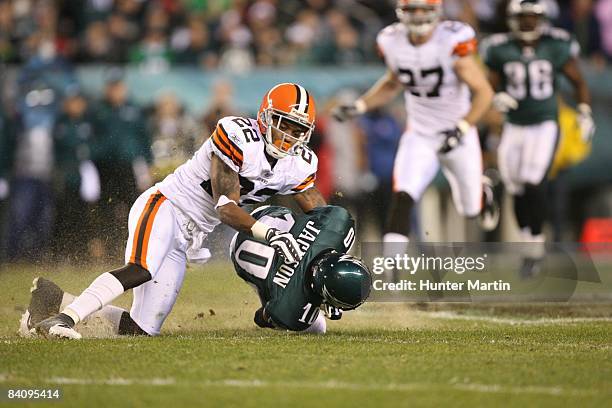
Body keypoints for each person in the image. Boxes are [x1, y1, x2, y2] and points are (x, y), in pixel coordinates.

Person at [32, 83, 327, 339]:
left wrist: (328, 263)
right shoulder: (237, 134)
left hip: (190, 234)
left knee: (142, 328)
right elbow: (225, 207)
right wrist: (271, 234)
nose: (288, 136)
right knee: (141, 268)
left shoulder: (299, 163)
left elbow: (321, 216)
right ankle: (64, 318)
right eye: (282, 123)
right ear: (264, 116)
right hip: (166, 205)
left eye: (297, 129)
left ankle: (55, 301)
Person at [332, 0, 495, 254]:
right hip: (420, 132)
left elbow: (484, 92)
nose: (418, 16)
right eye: (412, 10)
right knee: (404, 193)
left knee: (470, 208)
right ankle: (391, 266)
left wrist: (462, 127)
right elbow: (392, 83)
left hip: (458, 131)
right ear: (402, 13)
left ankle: (483, 193)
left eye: (424, 10)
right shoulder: (391, 40)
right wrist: (360, 106)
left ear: (436, 12)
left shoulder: (451, 40)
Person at [481, 0, 594, 276]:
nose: (528, 23)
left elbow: (578, 81)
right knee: (516, 187)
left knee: (533, 182)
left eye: (532, 17)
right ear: (512, 19)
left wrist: (584, 111)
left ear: (541, 18)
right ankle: (529, 242)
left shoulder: (556, 44)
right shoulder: (499, 47)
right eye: (523, 17)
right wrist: (495, 96)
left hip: (543, 124)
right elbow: (486, 86)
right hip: (514, 126)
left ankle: (536, 244)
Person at [230, 205, 371, 333]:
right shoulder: (290, 312)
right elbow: (260, 318)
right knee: (316, 328)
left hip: (263, 215)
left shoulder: (339, 223)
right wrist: (320, 302)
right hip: (238, 253)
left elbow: (318, 209)